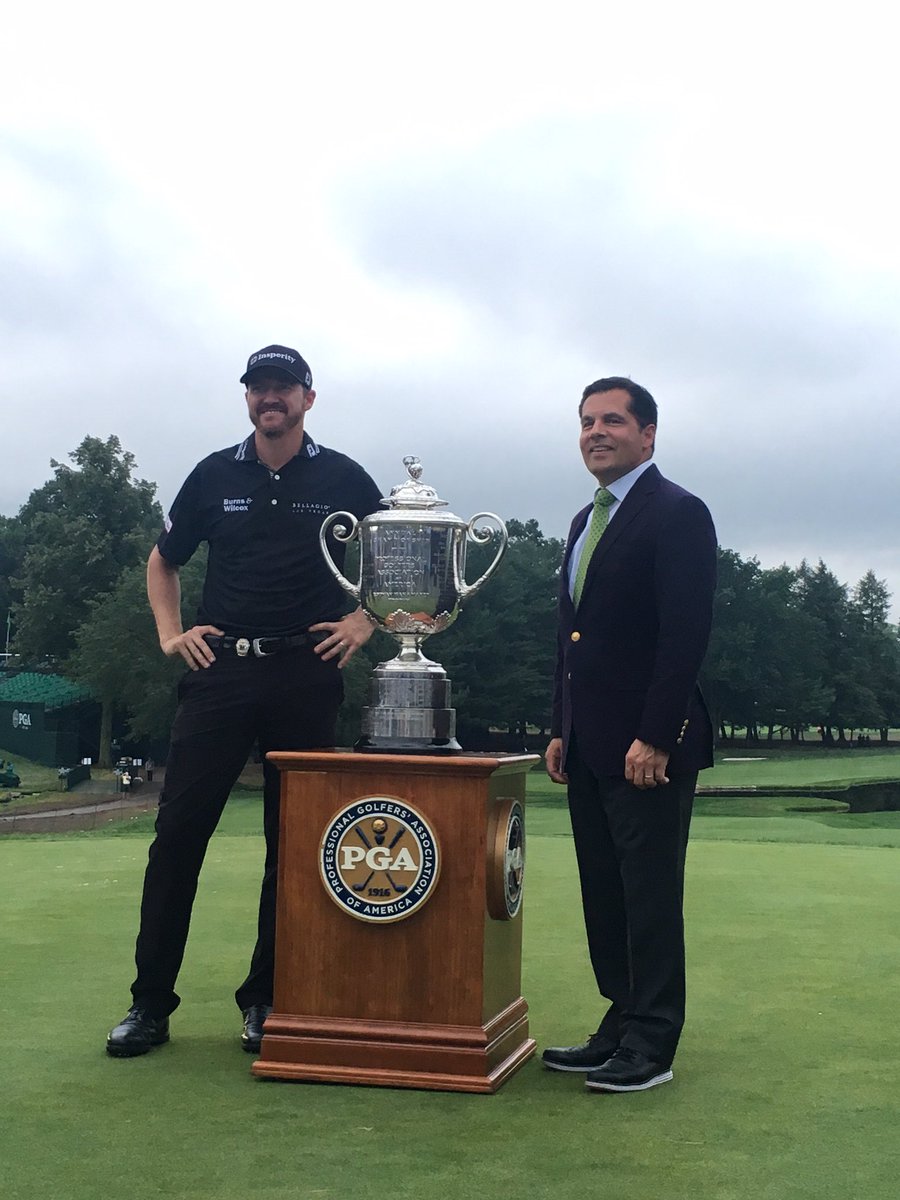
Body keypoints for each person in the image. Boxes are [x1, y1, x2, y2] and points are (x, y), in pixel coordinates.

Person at [106, 344, 383, 1059]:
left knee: (290, 847)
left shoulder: (344, 476)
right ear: (249, 399)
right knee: (177, 838)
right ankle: (149, 1004)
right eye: (260, 388)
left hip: (304, 672)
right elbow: (164, 561)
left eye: (284, 388)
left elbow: (394, 559)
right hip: (221, 673)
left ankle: (265, 999)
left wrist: (365, 619)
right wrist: (171, 634)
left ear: (307, 399)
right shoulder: (211, 475)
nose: (271, 398)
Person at [542, 376, 716, 1093]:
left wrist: (657, 736)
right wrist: (560, 726)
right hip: (589, 744)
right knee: (604, 894)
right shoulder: (586, 520)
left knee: (646, 896)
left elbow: (684, 637)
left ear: (647, 434)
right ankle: (620, 1020)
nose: (595, 432)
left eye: (612, 420)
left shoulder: (677, 513)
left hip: (648, 749)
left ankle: (652, 1042)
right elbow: (571, 638)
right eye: (586, 422)